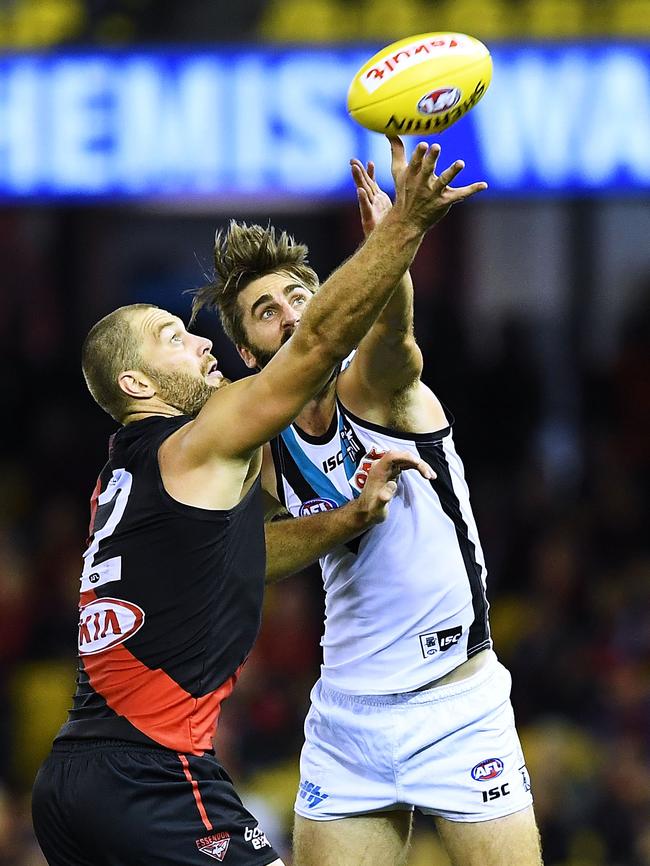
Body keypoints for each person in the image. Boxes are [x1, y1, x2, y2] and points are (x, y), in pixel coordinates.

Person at [30, 140, 478, 866]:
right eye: (174, 340)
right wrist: (404, 229)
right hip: (152, 775)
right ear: (138, 387)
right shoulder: (199, 442)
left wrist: (345, 518)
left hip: (71, 781)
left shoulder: (128, 476)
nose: (203, 346)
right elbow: (316, 346)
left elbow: (238, 558)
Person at [194, 138, 543, 866]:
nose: (291, 314)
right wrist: (345, 518)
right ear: (251, 356)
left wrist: (396, 237)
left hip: (457, 704)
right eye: (266, 311)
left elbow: (393, 332)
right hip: (347, 715)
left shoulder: (375, 387)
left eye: (300, 296)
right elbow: (245, 561)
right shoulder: (259, 444)